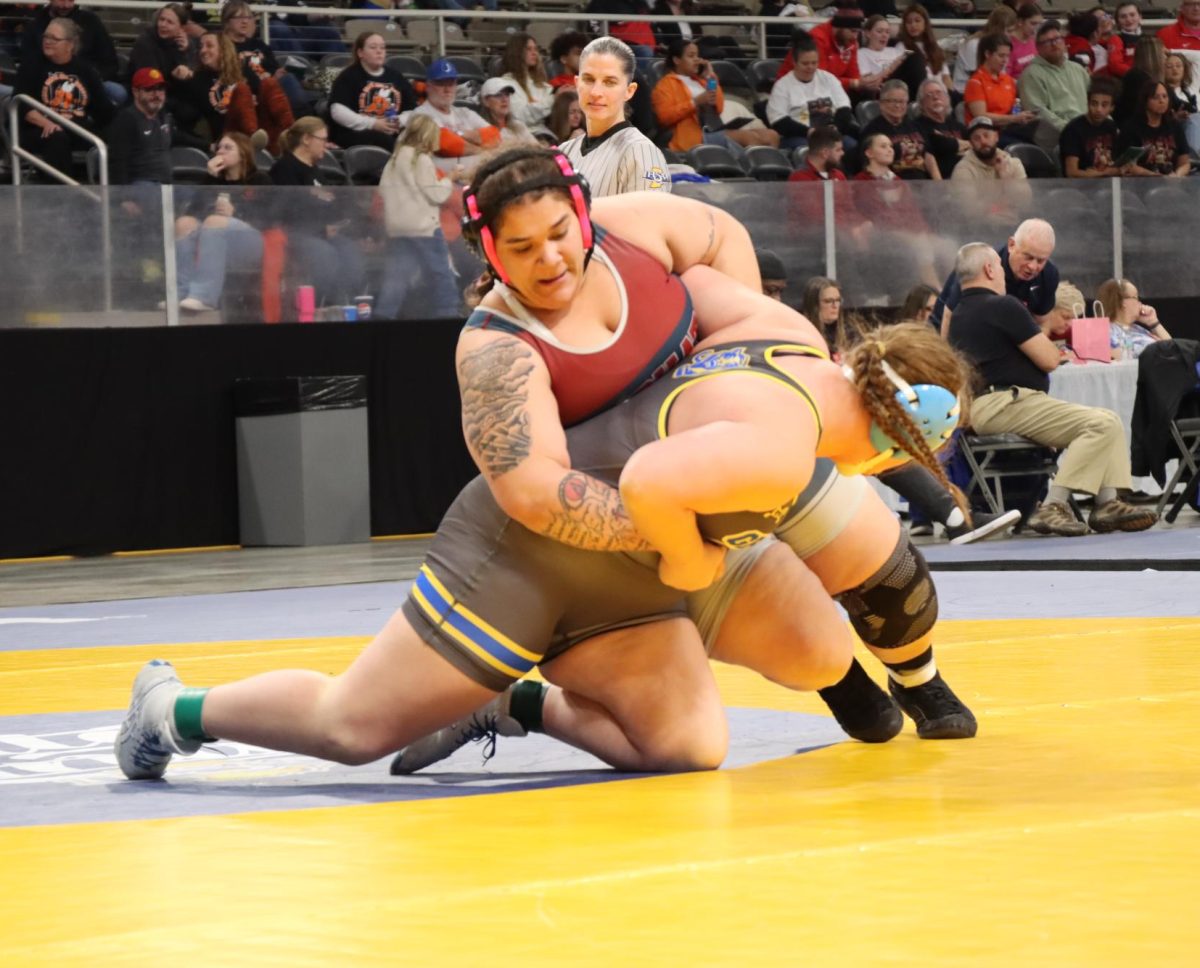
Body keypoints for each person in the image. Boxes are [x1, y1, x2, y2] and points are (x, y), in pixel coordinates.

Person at [114, 295, 975, 784]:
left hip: (638, 579)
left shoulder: (785, 334)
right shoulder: (786, 447)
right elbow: (647, 487)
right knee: (352, 728)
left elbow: (696, 261)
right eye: (905, 457)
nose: (888, 470)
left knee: (687, 747)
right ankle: (170, 708)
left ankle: (511, 702)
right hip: (528, 553)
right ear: (901, 433)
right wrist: (685, 558)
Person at [446, 148, 977, 742]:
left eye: (559, 233)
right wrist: (677, 544)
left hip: (730, 434)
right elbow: (536, 488)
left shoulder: (637, 231)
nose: (551, 258)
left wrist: (744, 368)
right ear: (496, 254)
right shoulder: (499, 345)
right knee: (777, 676)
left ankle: (915, 673)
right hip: (632, 492)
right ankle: (836, 675)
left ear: (580, 216)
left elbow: (720, 242)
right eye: (523, 247)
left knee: (882, 562)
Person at [946, 242, 1158, 536]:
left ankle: (1107, 502)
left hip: (984, 406)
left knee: (1106, 419)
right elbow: (1047, 359)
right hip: (1007, 401)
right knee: (1102, 423)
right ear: (989, 269)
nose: (1004, 271)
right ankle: (1053, 506)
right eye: (1000, 263)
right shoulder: (1003, 306)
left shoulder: (957, 315)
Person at [269, 117, 366, 308]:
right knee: (325, 255)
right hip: (296, 234)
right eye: (322, 139)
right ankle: (323, 307)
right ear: (306, 139)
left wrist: (343, 222)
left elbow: (331, 203)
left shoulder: (316, 172)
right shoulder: (284, 168)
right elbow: (287, 209)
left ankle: (345, 304)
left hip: (323, 233)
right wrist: (322, 228)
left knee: (351, 253)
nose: (326, 145)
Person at [558, 37, 672, 197]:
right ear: (577, 84)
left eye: (609, 82)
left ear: (629, 91)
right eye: (589, 80)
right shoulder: (563, 152)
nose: (596, 92)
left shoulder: (642, 152)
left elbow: (649, 218)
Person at [375, 114, 462, 321]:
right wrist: (450, 178)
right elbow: (437, 194)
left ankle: (382, 318)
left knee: (396, 277)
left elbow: (382, 191)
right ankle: (448, 317)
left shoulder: (393, 160)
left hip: (397, 228)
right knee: (441, 274)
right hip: (423, 228)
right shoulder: (421, 159)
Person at [175, 132, 271, 313]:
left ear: (242, 153)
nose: (221, 151)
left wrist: (237, 213)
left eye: (228, 148)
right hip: (213, 239)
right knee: (183, 223)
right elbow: (192, 212)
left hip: (251, 242)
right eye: (219, 147)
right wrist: (211, 178)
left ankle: (204, 297)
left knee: (214, 220)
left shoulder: (259, 179)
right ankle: (181, 293)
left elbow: (268, 216)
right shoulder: (212, 179)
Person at [13, 16, 115, 176]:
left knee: (118, 133)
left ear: (70, 44)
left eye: (54, 38)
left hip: (75, 127)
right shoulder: (32, 65)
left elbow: (104, 110)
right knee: (57, 137)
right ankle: (63, 194)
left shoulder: (85, 70)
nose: (47, 41)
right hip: (41, 128)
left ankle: (115, 190)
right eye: (46, 36)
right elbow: (21, 104)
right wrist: (46, 123)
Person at [652, 38, 781, 154]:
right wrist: (694, 103)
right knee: (748, 137)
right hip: (692, 135)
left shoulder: (700, 80)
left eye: (697, 55)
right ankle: (757, 175)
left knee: (771, 135)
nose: (697, 60)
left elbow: (718, 106)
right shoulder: (664, 85)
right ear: (677, 60)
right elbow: (663, 118)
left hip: (714, 128)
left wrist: (711, 77)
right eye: (691, 56)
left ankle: (775, 176)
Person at [933, 218, 1059, 334]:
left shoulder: (1049, 274)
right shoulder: (979, 265)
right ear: (1011, 245)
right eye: (1028, 257)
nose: (1032, 266)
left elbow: (1042, 323)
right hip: (946, 329)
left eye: (1041, 260)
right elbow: (949, 316)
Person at [184, 30, 292, 154]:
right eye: (200, 47)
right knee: (241, 90)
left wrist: (250, 100)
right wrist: (238, 101)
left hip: (261, 132)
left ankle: (291, 135)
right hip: (229, 133)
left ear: (223, 49)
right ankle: (252, 139)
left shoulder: (243, 70)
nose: (203, 50)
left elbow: (260, 97)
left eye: (209, 46)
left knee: (269, 83)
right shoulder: (198, 79)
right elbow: (198, 114)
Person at [108, 67, 204, 185]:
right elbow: (117, 163)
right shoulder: (126, 120)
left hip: (166, 185)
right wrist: (124, 198)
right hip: (140, 185)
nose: (157, 94)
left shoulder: (164, 116)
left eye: (161, 89)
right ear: (136, 92)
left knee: (198, 196)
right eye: (150, 89)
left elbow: (178, 137)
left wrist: (209, 145)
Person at [19, 0, 124, 105]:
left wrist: (95, 78)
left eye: (70, 0)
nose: (66, 5)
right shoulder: (36, 24)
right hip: (48, 79)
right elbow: (28, 62)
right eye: (61, 0)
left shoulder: (90, 21)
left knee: (117, 92)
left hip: (90, 77)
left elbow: (109, 60)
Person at [766, 30, 856, 151]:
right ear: (794, 62)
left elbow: (844, 108)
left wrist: (836, 127)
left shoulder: (828, 78)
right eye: (805, 63)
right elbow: (778, 121)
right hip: (800, 136)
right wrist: (809, 132)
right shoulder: (783, 85)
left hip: (830, 134)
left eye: (814, 63)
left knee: (851, 145)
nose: (811, 67)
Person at [220, 0, 309, 119]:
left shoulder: (259, 45)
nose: (245, 21)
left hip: (269, 88)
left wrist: (277, 74)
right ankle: (303, 126)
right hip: (247, 90)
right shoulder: (222, 46)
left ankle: (304, 124)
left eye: (248, 17)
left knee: (289, 79)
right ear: (227, 22)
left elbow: (273, 69)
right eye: (239, 17)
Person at [328, 31, 415, 151]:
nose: (379, 51)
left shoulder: (396, 76)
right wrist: (373, 124)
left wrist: (398, 121)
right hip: (357, 133)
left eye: (382, 48)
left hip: (393, 130)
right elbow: (338, 111)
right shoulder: (348, 76)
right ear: (360, 53)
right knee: (382, 139)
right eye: (373, 47)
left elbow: (412, 109)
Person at [412, 58, 501, 175]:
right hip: (439, 181)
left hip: (475, 177)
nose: (447, 89)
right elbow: (444, 143)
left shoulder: (465, 113)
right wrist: (481, 149)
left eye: (451, 83)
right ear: (428, 86)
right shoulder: (420, 114)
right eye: (441, 84)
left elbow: (495, 135)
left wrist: (460, 134)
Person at [964, 32, 1043, 146]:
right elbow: (981, 116)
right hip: (987, 135)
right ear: (987, 54)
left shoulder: (1008, 80)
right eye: (1001, 56)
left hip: (1009, 130)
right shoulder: (975, 82)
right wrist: (1014, 119)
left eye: (1007, 56)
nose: (1005, 60)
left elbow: (1015, 106)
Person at [128, 4, 199, 129]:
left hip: (176, 93)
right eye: (162, 20)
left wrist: (185, 52)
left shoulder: (187, 43)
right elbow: (150, 80)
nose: (163, 25)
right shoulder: (145, 42)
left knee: (194, 107)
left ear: (181, 28)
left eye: (170, 22)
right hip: (149, 92)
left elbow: (193, 72)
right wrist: (173, 75)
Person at [1018, 20, 1091, 142]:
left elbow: (1094, 101)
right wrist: (1071, 130)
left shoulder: (1078, 69)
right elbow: (1038, 112)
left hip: (1086, 132)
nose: (1054, 44)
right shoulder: (1031, 74)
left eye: (1057, 39)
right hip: (1057, 138)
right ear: (1038, 48)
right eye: (1047, 41)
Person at [859, 78, 940, 178]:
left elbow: (929, 157)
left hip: (923, 183)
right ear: (881, 103)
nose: (898, 105)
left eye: (902, 101)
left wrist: (938, 184)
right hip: (894, 184)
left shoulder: (916, 126)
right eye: (893, 101)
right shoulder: (872, 131)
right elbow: (871, 165)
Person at [1115, 80, 1192, 176]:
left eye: (1165, 96)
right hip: (1141, 184)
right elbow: (1127, 165)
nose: (1162, 101)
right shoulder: (1131, 128)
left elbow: (1185, 162)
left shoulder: (1174, 126)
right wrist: (1155, 176)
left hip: (1172, 183)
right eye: (1156, 97)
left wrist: (1177, 174)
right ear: (1145, 101)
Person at [1096, 277, 1173, 359]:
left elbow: (1174, 350)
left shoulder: (1137, 328)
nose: (1140, 302)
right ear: (1123, 302)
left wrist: (1153, 323)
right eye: (1136, 297)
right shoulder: (1108, 332)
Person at [1060, 75, 1120, 177]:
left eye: (1104, 105)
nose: (1098, 109)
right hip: (1083, 187)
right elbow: (1071, 173)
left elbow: (1117, 162)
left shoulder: (1111, 126)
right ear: (1087, 103)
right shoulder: (1073, 130)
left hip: (1109, 183)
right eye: (1094, 104)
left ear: (1112, 108)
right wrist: (1103, 173)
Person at [953, 5, 1020, 94]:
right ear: (998, 29)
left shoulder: (1001, 47)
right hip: (965, 93)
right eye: (1009, 31)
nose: (1012, 35)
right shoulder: (974, 45)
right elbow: (976, 79)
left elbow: (1001, 76)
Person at [499, 32, 555, 134]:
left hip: (546, 134)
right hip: (522, 136)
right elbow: (520, 116)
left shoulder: (542, 85)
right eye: (529, 49)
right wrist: (553, 100)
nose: (534, 53)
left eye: (535, 49)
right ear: (517, 52)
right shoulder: (506, 83)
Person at [914, 77, 969, 178]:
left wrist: (950, 144)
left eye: (939, 93)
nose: (935, 97)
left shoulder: (957, 125)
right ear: (921, 103)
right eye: (929, 95)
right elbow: (938, 144)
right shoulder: (918, 126)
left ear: (947, 98)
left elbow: (975, 145)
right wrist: (961, 146)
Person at [951, 115, 1029, 181]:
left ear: (996, 137)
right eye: (976, 138)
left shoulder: (1014, 163)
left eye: (986, 135)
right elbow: (965, 199)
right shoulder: (963, 170)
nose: (983, 141)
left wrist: (1005, 178)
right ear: (971, 143)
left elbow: (1025, 198)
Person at [899, 4, 952, 92]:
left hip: (941, 94)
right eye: (909, 22)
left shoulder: (936, 47)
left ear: (925, 23)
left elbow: (946, 77)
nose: (913, 25)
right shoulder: (901, 46)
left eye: (917, 21)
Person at [1114, 35, 1165, 126]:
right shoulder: (1138, 79)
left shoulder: (1137, 75)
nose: (1165, 57)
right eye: (1162, 54)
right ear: (1154, 57)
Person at [858, 14, 912, 95]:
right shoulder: (862, 53)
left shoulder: (895, 51)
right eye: (879, 31)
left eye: (887, 32)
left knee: (914, 58)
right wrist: (891, 67)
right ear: (867, 33)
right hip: (882, 89)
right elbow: (868, 82)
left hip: (903, 86)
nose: (884, 35)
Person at [478, 77, 537, 145]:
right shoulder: (480, 130)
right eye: (498, 95)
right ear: (486, 101)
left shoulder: (518, 126)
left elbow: (538, 149)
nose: (504, 99)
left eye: (507, 94)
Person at [1164, 52, 1200, 153]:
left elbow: (1198, 57)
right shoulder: (1162, 92)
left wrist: (1170, 50)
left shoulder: (1192, 88)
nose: (1174, 69)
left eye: (1178, 66)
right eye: (1169, 66)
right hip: (1177, 130)